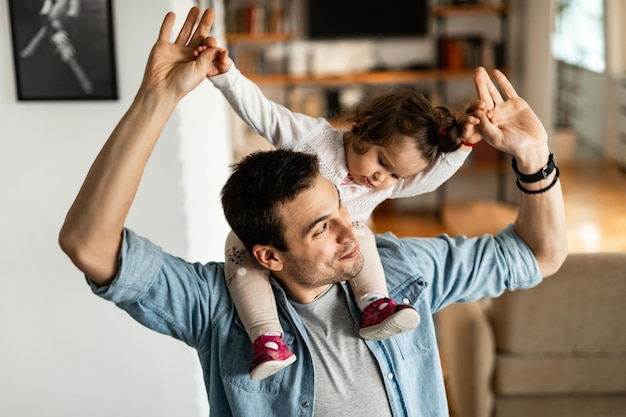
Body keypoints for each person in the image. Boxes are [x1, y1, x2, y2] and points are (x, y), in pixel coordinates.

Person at [58, 7, 568, 417]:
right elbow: (89, 244)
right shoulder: (217, 311)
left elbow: (539, 255)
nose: (352, 231)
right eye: (323, 226)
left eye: (341, 210)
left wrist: (533, 156)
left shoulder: (402, 275)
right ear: (268, 255)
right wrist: (157, 98)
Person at [194, 37, 485, 380]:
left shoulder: (386, 181)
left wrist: (463, 146)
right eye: (381, 161)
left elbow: (427, 182)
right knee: (239, 248)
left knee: (361, 233)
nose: (380, 179)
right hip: (286, 237)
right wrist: (227, 76)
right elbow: (265, 114)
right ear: (366, 125)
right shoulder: (313, 139)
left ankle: (375, 304)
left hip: (336, 251)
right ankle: (267, 338)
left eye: (394, 175)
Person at [20, 0, 93, 94]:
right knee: (66, 52)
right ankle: (85, 83)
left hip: (63, 27)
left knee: (67, 52)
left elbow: (72, 17)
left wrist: (60, 31)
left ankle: (85, 83)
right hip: (54, 26)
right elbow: (45, 14)